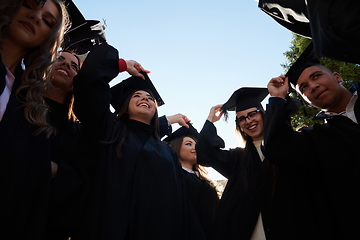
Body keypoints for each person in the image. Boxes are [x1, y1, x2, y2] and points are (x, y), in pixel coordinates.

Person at [71, 43, 206, 240]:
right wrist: (123, 65)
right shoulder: (109, 129)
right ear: (125, 106)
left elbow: (181, 204)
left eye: (149, 97)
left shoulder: (167, 151)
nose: (145, 98)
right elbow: (89, 83)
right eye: (137, 95)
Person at [265, 42, 360, 240]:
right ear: (306, 100)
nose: (313, 86)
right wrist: (278, 99)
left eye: (316, 76)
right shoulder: (317, 138)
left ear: (337, 76)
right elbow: (278, 149)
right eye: (304, 88)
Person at [0, 0, 70, 239]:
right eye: (30, 5)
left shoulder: (29, 112)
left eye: (48, 21)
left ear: (46, 40)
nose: (36, 16)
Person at [196, 87, 302, 240]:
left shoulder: (285, 147)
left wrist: (279, 98)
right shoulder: (238, 159)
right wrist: (210, 120)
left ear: (263, 113)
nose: (248, 121)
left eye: (252, 114)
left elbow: (289, 110)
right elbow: (206, 154)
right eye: (242, 118)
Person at [163, 123, 220, 239]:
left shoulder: (205, 181)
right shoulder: (173, 177)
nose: (195, 147)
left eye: (197, 145)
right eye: (189, 144)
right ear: (176, 148)